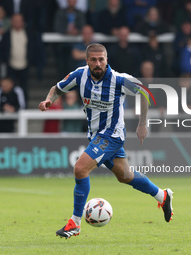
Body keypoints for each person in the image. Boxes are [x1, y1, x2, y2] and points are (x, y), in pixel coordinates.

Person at [38, 43, 174, 239]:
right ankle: (162, 196)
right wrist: (48, 100)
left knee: (80, 168)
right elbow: (57, 88)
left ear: (106, 60)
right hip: (96, 135)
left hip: (111, 135)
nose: (98, 63)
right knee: (125, 176)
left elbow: (144, 92)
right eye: (93, 60)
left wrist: (143, 123)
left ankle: (75, 223)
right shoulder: (79, 75)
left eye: (101, 59)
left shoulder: (119, 80)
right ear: (87, 61)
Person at [0, 13, 44, 102]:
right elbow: (2, 50)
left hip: (25, 65)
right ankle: (12, 105)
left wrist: (31, 60)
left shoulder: (29, 33)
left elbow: (33, 48)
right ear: (12, 22)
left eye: (19, 21)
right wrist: (6, 60)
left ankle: (24, 106)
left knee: (24, 87)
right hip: (11, 64)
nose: (17, 23)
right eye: (15, 21)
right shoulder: (7, 35)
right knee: (10, 88)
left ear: (23, 22)